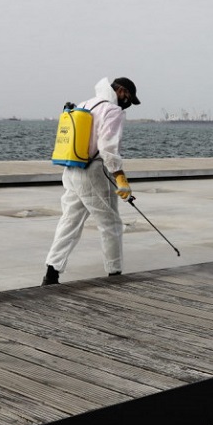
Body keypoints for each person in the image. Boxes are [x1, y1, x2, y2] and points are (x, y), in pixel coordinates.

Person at [42, 77, 141, 286]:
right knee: (111, 223)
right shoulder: (112, 111)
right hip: (93, 171)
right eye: (129, 99)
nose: (128, 104)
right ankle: (115, 274)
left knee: (70, 221)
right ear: (121, 91)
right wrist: (120, 177)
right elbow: (107, 148)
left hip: (71, 168)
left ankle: (51, 273)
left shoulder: (85, 104)